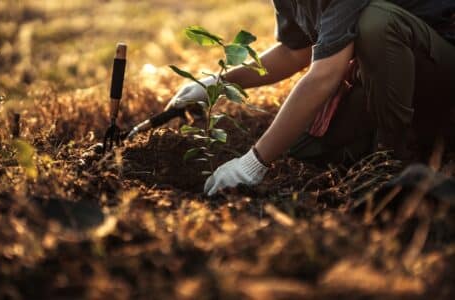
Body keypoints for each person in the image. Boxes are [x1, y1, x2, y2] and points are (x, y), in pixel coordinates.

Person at [166, 0, 455, 196]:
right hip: (400, 79)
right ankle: (413, 141)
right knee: (303, 148)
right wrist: (217, 83)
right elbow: (296, 51)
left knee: (377, 22)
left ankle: (395, 164)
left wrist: (254, 162)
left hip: (441, 71)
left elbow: (326, 74)